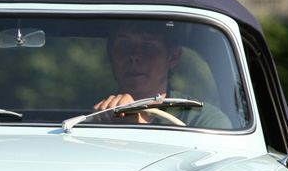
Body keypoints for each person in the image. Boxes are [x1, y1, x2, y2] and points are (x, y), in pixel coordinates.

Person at [93, 21, 230, 128]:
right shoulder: (85, 118)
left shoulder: (205, 120)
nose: (134, 55)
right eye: (124, 44)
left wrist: (139, 128)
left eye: (148, 45)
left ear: (173, 58)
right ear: (110, 53)